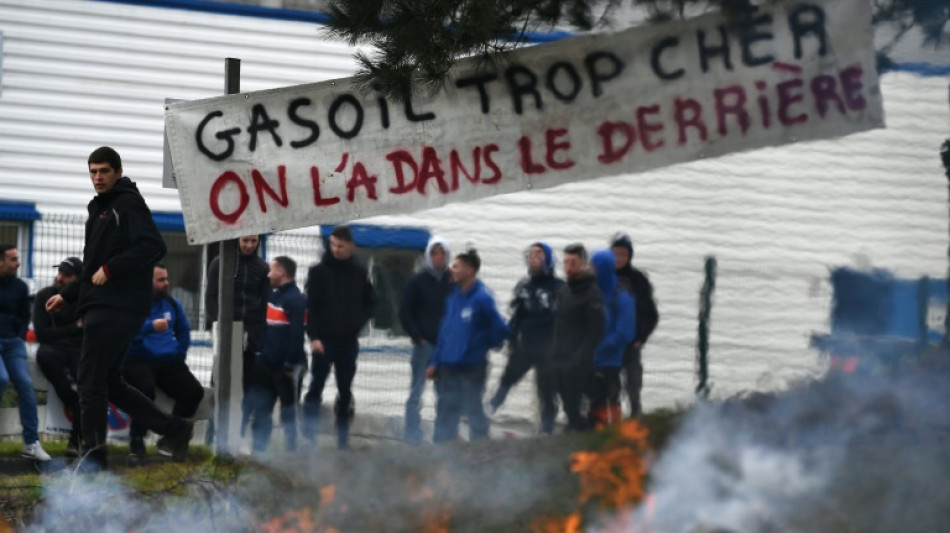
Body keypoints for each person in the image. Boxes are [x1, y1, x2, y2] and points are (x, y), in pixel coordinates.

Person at [46, 146, 193, 470]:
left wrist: (111, 269)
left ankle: (93, 457)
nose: (98, 177)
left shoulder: (127, 203)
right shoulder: (99, 207)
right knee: (109, 382)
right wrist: (68, 295)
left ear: (118, 172)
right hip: (103, 303)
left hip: (117, 306)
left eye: (104, 171)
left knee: (89, 379)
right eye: (93, 172)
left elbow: (153, 245)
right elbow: (92, 266)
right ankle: (175, 428)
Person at [122, 264, 205, 462]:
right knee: (144, 390)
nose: (166, 283)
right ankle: (137, 440)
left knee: (194, 391)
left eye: (167, 279)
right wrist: (150, 326)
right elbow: (126, 328)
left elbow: (183, 330)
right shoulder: (133, 303)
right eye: (161, 280)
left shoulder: (172, 304)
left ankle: (171, 439)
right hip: (138, 359)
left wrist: (180, 353)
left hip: (169, 360)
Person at [304, 225, 376, 449]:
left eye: (341, 246)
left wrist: (357, 323)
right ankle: (309, 436)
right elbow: (310, 307)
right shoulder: (318, 272)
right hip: (323, 341)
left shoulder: (359, 273)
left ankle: (342, 439)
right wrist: (314, 337)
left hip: (348, 341)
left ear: (351, 246)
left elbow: (371, 302)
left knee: (345, 389)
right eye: (333, 245)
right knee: (316, 387)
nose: (336, 249)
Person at [427, 248, 509, 443]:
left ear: (469, 270)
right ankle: (442, 449)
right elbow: (445, 332)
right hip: (447, 366)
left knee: (473, 408)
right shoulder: (453, 298)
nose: (451, 269)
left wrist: (483, 346)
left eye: (456, 266)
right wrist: (435, 361)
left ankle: (479, 449)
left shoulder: (482, 298)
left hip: (472, 367)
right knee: (445, 408)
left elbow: (500, 329)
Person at [488, 242, 563, 434]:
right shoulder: (524, 286)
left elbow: (564, 320)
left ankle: (546, 429)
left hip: (549, 348)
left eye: (539, 254)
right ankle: (488, 411)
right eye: (531, 254)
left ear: (548, 259)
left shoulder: (559, 287)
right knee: (507, 379)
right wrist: (512, 341)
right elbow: (516, 317)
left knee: (546, 391)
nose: (534, 258)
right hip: (526, 345)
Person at [205, 234, 270, 435]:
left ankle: (237, 433)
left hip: (250, 334)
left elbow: (264, 303)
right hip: (226, 331)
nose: (249, 245)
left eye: (253, 241)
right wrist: (218, 324)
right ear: (237, 240)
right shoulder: (220, 263)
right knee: (219, 383)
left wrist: (258, 332)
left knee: (245, 386)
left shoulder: (262, 268)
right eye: (245, 241)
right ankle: (214, 432)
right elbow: (211, 296)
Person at [248, 256, 307, 453]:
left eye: (271, 270)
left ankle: (292, 453)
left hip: (287, 368)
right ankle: (258, 451)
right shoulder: (273, 297)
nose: (268, 274)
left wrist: (290, 364)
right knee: (261, 409)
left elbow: (297, 336)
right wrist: (260, 353)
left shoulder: (296, 300)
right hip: (266, 364)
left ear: (281, 272)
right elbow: (265, 328)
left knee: (288, 411)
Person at [399, 236, 453, 444]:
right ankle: (412, 436)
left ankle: (441, 437)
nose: (439, 258)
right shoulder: (417, 281)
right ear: (428, 256)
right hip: (424, 346)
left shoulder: (452, 281)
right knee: (416, 392)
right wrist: (418, 338)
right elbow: (405, 312)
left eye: (442, 254)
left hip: (445, 347)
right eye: (434, 254)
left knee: (444, 394)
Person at [0, 244, 51, 461]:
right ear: (1, 261)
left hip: (13, 344)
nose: (18, 263)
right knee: (1, 378)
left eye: (18, 258)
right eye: (13, 259)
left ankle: (31, 442)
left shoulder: (20, 287)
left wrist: (19, 335)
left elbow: (24, 316)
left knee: (26, 385)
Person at [33, 256, 85, 457]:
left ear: (78, 279)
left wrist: (62, 332)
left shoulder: (83, 300)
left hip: (77, 351)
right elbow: (42, 334)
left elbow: (86, 331)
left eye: (67, 275)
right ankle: (70, 399)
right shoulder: (45, 296)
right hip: (53, 351)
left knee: (85, 390)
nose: (61, 278)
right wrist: (74, 327)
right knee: (45, 355)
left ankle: (77, 441)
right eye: (60, 272)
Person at [550, 244, 604, 432]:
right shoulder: (564, 291)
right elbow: (558, 324)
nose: (569, 267)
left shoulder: (591, 292)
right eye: (566, 263)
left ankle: (583, 429)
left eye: (573, 263)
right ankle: (575, 425)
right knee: (565, 399)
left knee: (578, 398)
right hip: (561, 354)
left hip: (580, 358)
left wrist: (580, 358)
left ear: (583, 264)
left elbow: (596, 331)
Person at [610, 233, 659, 418]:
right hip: (609, 344)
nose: (618, 258)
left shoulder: (639, 280)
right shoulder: (603, 278)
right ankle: (613, 423)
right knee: (610, 388)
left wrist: (641, 337)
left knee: (633, 385)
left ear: (629, 256)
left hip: (631, 343)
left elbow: (651, 314)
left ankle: (635, 418)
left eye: (623, 254)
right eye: (615, 254)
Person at [588, 250, 636, 429]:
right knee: (594, 402)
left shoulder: (622, 296)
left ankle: (615, 434)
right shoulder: (594, 293)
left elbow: (625, 332)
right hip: (592, 359)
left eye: (594, 266)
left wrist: (602, 346)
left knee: (611, 400)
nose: (590, 269)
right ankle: (595, 434)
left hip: (611, 361)